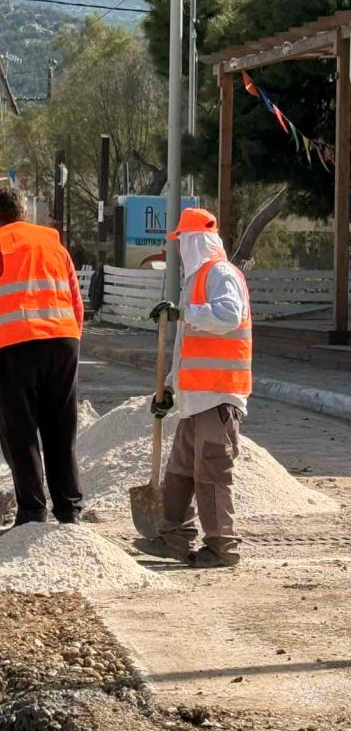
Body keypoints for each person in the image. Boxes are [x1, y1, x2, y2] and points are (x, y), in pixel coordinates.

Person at [0, 188, 84, 528]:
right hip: (63, 342)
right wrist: (71, 342)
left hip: (16, 348)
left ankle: (32, 513)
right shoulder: (55, 245)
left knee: (20, 431)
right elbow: (75, 300)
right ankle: (69, 510)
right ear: (25, 213)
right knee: (61, 428)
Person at [135, 207, 251, 569]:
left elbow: (229, 316)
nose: (179, 248)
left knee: (212, 475)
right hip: (196, 399)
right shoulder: (196, 280)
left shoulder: (220, 274)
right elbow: (187, 348)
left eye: (182, 240)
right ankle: (174, 538)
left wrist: (185, 314)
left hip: (218, 397)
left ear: (195, 240)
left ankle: (222, 547)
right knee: (180, 472)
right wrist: (170, 391)